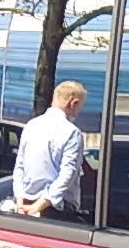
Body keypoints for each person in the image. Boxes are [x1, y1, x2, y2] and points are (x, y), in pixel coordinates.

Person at [11, 78, 95, 221]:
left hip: (24, 205)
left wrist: (20, 201)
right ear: (73, 103)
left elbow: (19, 167)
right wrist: (39, 206)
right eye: (79, 108)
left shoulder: (31, 125)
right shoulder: (72, 132)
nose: (78, 113)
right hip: (56, 210)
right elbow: (67, 174)